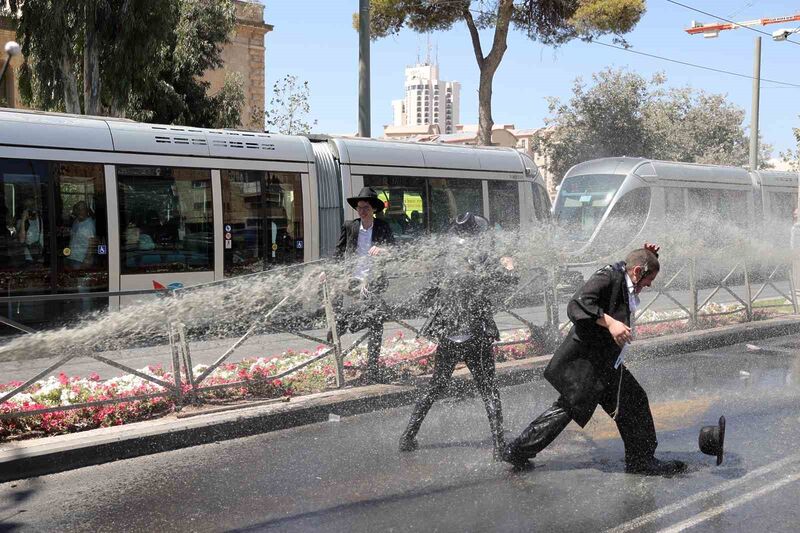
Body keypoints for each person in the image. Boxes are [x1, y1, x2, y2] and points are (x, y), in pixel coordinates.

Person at [502, 243, 688, 476]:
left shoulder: (627, 275)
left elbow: (637, 263)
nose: (649, 285)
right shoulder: (608, 276)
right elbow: (577, 304)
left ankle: (641, 460)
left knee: (632, 402)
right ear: (638, 272)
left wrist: (650, 255)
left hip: (606, 363)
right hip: (588, 364)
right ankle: (518, 450)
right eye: (648, 279)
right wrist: (610, 322)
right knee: (569, 408)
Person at [399, 212, 517, 460]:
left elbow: (425, 296)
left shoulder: (445, 260)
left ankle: (408, 436)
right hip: (476, 335)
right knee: (489, 390)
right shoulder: (483, 258)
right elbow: (508, 280)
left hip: (450, 336)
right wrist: (509, 267)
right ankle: (498, 447)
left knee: (434, 387)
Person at [333, 186, 395, 383]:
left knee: (376, 323)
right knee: (375, 320)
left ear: (374, 209)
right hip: (353, 282)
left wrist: (382, 250)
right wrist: (329, 273)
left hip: (373, 283)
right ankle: (345, 324)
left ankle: (372, 367)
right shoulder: (350, 226)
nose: (362, 211)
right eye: (359, 208)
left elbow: (394, 250)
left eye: (366, 207)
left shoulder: (383, 227)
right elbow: (338, 252)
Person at [65, 201, 97, 271]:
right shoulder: (76, 221)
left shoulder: (89, 225)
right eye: (78, 209)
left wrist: (86, 262)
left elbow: (92, 246)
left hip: (80, 261)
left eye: (82, 209)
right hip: (71, 257)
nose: (80, 211)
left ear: (86, 211)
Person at [16, 197, 44, 265]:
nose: (30, 210)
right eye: (27, 207)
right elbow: (22, 240)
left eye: (32, 206)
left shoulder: (40, 220)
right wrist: (23, 220)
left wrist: (37, 216)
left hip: (41, 255)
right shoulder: (21, 222)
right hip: (29, 257)